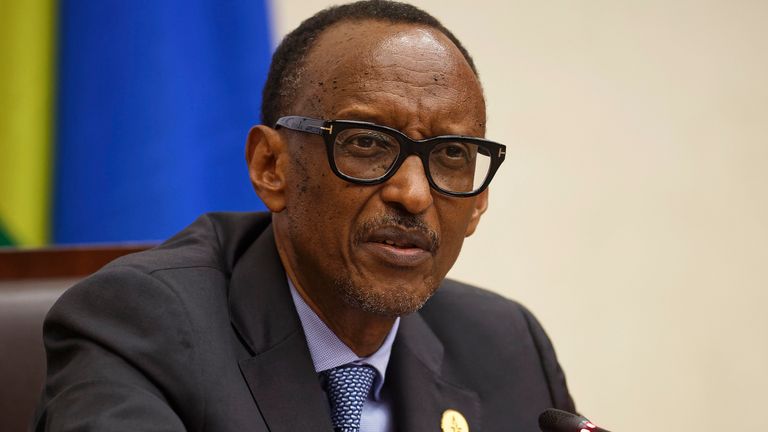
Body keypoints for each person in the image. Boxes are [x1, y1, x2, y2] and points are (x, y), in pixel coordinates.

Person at [34, 1, 575, 431]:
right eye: (366, 143)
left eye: (451, 154)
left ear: (479, 202)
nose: (413, 194)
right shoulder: (139, 326)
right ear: (271, 167)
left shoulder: (505, 344)